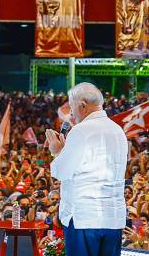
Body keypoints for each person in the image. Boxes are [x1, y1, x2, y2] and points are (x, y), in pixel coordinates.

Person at [45, 83, 127, 256]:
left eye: (71, 107)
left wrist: (57, 151)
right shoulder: (118, 131)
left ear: (82, 105)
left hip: (84, 219)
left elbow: (61, 172)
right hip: (113, 219)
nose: (71, 113)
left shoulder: (80, 131)